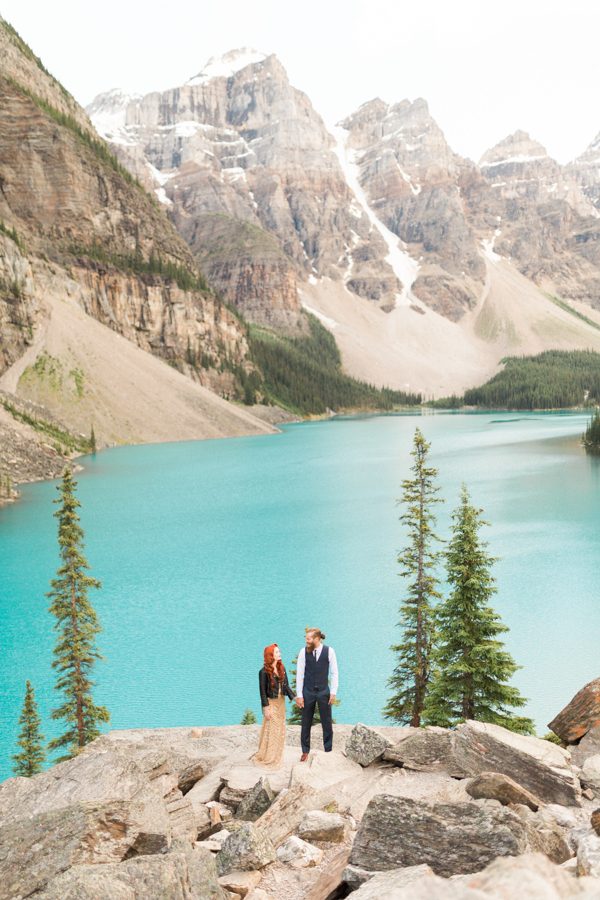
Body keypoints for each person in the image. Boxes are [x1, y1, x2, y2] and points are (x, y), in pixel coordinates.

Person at [295, 627, 338, 761]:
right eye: (306, 638)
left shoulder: (329, 651)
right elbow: (300, 674)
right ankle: (305, 751)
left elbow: (334, 673)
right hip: (307, 692)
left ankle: (328, 749)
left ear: (317, 639)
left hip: (324, 691)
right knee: (306, 722)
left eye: (309, 638)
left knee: (326, 722)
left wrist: (333, 692)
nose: (306, 640)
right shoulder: (303, 652)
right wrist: (299, 695)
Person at [253, 643, 295, 769]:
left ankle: (277, 756)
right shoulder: (263, 672)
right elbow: (262, 692)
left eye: (279, 652)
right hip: (271, 704)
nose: (280, 654)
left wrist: (295, 697)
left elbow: (286, 686)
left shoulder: (282, 668)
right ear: (270, 655)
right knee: (271, 730)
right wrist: (265, 708)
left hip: (281, 703)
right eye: (277, 652)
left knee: (280, 730)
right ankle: (268, 756)